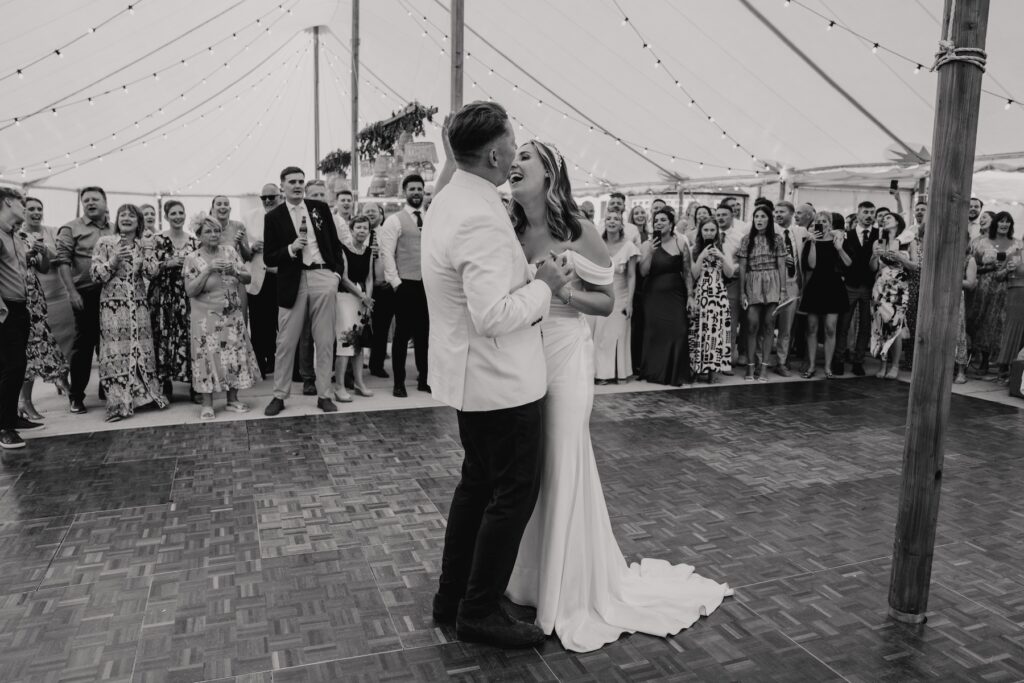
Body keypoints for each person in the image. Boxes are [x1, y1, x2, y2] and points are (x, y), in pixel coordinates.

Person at [508, 135, 730, 651]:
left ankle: (565, 589)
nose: (514, 163)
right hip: (520, 354)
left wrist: (561, 291)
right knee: (528, 465)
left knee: (562, 457)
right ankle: (528, 577)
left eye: (525, 157)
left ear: (549, 174)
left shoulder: (578, 230)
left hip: (565, 352)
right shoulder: (510, 227)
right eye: (512, 156)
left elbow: (606, 303)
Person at [423, 102, 574, 648]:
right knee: (511, 496)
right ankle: (479, 610)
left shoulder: (451, 199)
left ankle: (451, 598)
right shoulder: (479, 216)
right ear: (494, 153)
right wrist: (545, 285)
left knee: (476, 490)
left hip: (471, 379)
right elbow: (491, 316)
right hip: (500, 382)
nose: (515, 152)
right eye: (512, 143)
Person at [263, 166, 345, 416]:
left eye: (300, 181)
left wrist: (336, 276)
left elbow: (334, 243)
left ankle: (324, 395)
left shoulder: (319, 209)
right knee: (286, 341)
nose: (297, 185)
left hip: (323, 276)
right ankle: (279, 395)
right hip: (292, 280)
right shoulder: (274, 217)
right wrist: (290, 248)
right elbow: (269, 257)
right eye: (292, 182)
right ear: (283, 186)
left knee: (324, 340)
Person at [89, 204, 167, 422]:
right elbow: (95, 275)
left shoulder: (143, 244)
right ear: (116, 219)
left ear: (138, 221)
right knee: (115, 353)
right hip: (113, 309)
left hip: (139, 307)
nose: (126, 218)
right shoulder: (105, 242)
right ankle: (117, 404)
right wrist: (113, 260)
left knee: (142, 350)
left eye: (131, 215)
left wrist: (150, 250)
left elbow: (152, 273)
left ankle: (146, 396)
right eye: (122, 214)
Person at [184, 214, 261, 419]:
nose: (214, 234)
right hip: (205, 319)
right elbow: (190, 290)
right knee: (206, 358)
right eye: (208, 231)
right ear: (199, 235)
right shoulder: (193, 258)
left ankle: (232, 400)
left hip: (231, 315)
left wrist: (235, 271)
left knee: (233, 355)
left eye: (217, 230)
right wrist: (208, 270)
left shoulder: (230, 251)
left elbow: (247, 277)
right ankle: (207, 404)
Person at [57, 186, 113, 414]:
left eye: (95, 199)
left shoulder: (114, 227)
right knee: (84, 346)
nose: (90, 203)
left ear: (105, 202)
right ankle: (76, 395)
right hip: (86, 294)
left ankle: (107, 388)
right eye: (86, 200)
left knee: (109, 345)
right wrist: (72, 292)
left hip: (113, 295)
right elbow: (63, 262)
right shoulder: (71, 228)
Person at [18, 197, 72, 421]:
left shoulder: (42, 234)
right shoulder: (14, 235)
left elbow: (45, 265)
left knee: (54, 345)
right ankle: (23, 401)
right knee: (26, 352)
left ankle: (60, 379)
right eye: (30, 209)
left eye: (39, 208)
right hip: (21, 297)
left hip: (42, 296)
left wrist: (40, 252)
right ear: (22, 212)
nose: (36, 212)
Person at [377, 174, 430, 398]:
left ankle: (424, 379)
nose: (416, 192)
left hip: (428, 285)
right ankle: (399, 382)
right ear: (404, 192)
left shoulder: (431, 217)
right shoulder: (395, 220)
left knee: (424, 334)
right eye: (412, 189)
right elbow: (386, 253)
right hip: (405, 283)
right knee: (401, 334)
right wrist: (396, 283)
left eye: (420, 189)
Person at [148, 200, 199, 401]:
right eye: (173, 213)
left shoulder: (194, 241)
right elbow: (148, 269)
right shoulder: (155, 240)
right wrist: (167, 263)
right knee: (163, 338)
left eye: (181, 212)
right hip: (162, 297)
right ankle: (165, 383)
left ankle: (195, 385)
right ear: (167, 216)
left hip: (186, 296)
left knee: (188, 337)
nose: (178, 216)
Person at [0, 188, 38, 450]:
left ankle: (11, 416)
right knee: (10, 367)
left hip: (20, 307)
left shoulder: (14, 236)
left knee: (18, 365)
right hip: (6, 310)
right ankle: (4, 428)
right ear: (7, 202)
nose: (25, 207)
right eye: (20, 203)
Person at [638, 206, 694, 386]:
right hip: (653, 295)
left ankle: (674, 372)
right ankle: (655, 372)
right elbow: (643, 272)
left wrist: (691, 296)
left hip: (675, 295)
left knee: (679, 330)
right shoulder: (647, 244)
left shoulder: (680, 243)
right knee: (655, 334)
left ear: (671, 224)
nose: (659, 223)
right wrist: (651, 253)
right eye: (656, 221)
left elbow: (687, 272)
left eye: (663, 220)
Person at [967, 212, 1021, 378]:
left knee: (1002, 323)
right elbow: (972, 264)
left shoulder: (1018, 244)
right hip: (984, 287)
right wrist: (989, 267)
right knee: (983, 321)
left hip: (1007, 288)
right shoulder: (981, 243)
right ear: (995, 224)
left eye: (1008, 222)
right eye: (1001, 222)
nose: (1004, 225)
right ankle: (982, 360)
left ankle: (1001, 362)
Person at [737, 203, 786, 381]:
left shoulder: (778, 239)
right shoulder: (746, 239)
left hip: (773, 280)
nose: (759, 220)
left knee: (768, 326)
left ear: (769, 219)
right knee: (751, 325)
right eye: (756, 216)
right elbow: (742, 267)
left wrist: (782, 290)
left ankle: (764, 368)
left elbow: (781, 265)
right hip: (753, 281)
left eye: (763, 216)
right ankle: (751, 367)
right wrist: (742, 291)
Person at [799, 212, 851, 379]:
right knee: (812, 328)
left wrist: (839, 248)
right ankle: (812, 365)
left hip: (833, 285)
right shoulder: (810, 241)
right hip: (815, 285)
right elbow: (812, 265)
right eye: (817, 222)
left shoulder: (839, 239)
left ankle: (828, 367)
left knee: (830, 328)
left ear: (830, 224)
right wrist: (813, 243)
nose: (820, 224)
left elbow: (848, 263)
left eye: (824, 221)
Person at [593, 212, 639, 384]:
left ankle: (620, 372)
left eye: (616, 219)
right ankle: (602, 374)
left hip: (621, 297)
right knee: (601, 337)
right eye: (609, 219)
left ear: (622, 225)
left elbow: (632, 276)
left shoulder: (629, 247)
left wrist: (630, 303)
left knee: (618, 335)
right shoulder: (598, 245)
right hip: (601, 295)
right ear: (605, 223)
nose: (612, 221)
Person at [834, 200, 879, 376]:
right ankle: (838, 359)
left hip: (870, 286)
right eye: (866, 212)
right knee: (844, 324)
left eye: (872, 212)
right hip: (850, 285)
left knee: (866, 326)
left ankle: (858, 361)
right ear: (858, 214)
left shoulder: (879, 234)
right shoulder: (847, 235)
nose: (869, 216)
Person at [333, 214, 375, 402]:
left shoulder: (368, 251)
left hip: (362, 301)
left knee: (358, 345)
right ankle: (339, 386)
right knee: (345, 344)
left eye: (365, 228)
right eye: (358, 227)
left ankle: (359, 383)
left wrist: (368, 299)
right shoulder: (344, 249)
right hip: (345, 298)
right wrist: (362, 296)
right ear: (351, 230)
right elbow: (344, 277)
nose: (362, 231)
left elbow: (369, 278)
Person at [689, 217, 734, 383]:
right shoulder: (694, 249)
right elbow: (693, 275)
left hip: (718, 294)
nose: (709, 233)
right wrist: (701, 256)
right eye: (706, 230)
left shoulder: (724, 248)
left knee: (715, 332)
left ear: (717, 232)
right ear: (701, 231)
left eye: (712, 230)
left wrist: (721, 256)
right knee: (699, 330)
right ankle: (696, 368)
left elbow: (729, 274)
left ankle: (713, 370)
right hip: (701, 293)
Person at [869, 213, 913, 379]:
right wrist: (874, 255)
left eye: (888, 217)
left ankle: (895, 366)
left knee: (896, 326)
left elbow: (915, 266)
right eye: (883, 218)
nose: (884, 220)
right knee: (880, 327)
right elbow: (873, 268)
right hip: (880, 288)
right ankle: (883, 365)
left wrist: (900, 258)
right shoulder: (879, 242)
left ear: (897, 221)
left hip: (899, 289)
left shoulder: (909, 242)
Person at [247, 183, 281, 378]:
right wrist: (252, 246)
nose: (268, 201)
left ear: (280, 196)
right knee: (260, 325)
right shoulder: (249, 217)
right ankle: (261, 364)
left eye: (272, 197)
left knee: (282, 323)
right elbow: (242, 245)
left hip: (281, 276)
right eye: (264, 198)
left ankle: (282, 363)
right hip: (259, 277)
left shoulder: (288, 216)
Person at [772, 201, 805, 376]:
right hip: (771, 283)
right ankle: (759, 361)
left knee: (786, 327)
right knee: (767, 324)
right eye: (776, 211)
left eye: (782, 212)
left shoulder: (798, 232)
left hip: (792, 284)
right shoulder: (769, 232)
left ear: (791, 214)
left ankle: (781, 362)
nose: (777, 214)